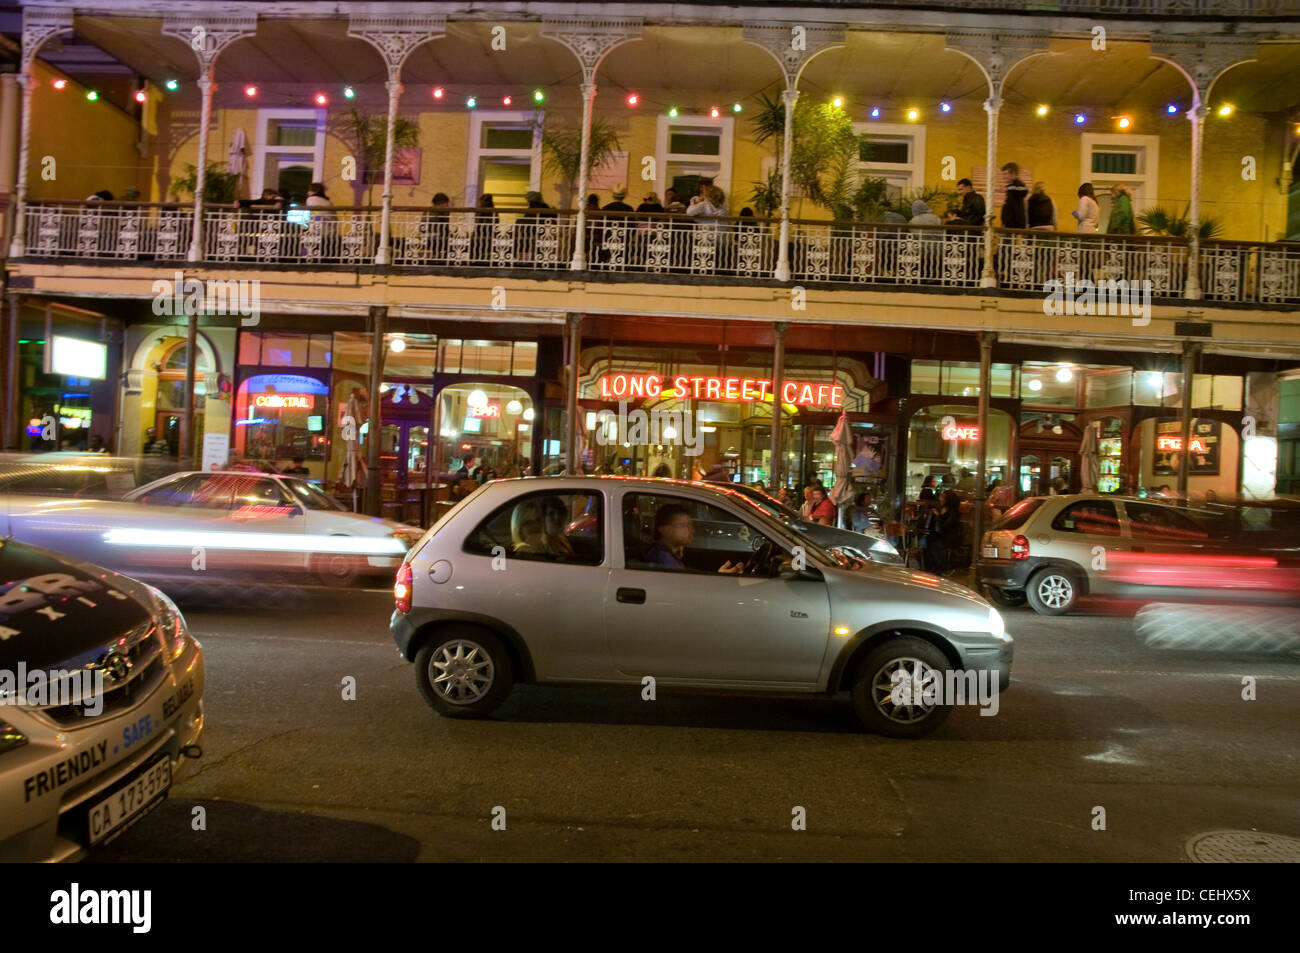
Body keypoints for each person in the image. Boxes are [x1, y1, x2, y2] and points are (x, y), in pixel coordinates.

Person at [643, 503, 743, 573]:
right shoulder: (664, 560)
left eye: (690, 525)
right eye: (683, 525)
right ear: (665, 530)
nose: (691, 530)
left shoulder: (669, 554)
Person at [511, 496, 576, 558]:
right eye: (528, 522)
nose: (535, 525)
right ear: (519, 527)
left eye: (537, 520)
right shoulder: (526, 549)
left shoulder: (562, 540)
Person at [1000, 163, 1029, 229]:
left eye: (1005, 174)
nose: (1004, 177)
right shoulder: (1012, 188)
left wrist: (1008, 188)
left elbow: (1025, 190)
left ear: (1013, 174)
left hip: (1014, 225)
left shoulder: (1018, 186)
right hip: (1008, 223)